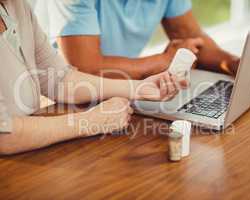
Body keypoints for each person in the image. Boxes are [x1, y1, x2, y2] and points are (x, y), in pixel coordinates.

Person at [0, 0, 187, 155]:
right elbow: (4, 134)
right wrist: (90, 122)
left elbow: (58, 80)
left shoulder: (16, 6)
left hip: (28, 153)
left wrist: (139, 88)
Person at [36, 0, 250, 87]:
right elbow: (85, 68)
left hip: (123, 90)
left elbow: (194, 42)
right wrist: (162, 61)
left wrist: (239, 65)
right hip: (60, 97)